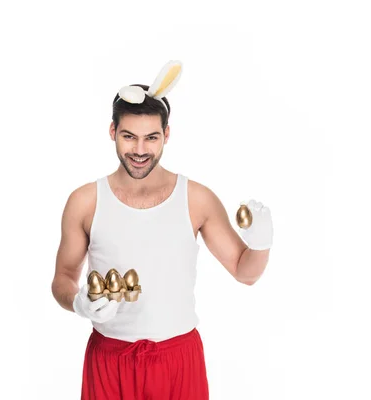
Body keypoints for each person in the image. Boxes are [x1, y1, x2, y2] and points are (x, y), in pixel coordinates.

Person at [51, 60, 274, 399]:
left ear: (166, 135)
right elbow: (63, 277)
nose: (140, 150)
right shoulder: (85, 201)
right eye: (129, 136)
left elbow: (245, 273)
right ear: (112, 132)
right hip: (109, 359)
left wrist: (261, 245)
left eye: (151, 138)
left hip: (178, 359)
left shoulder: (196, 199)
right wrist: (78, 303)